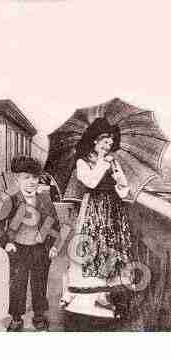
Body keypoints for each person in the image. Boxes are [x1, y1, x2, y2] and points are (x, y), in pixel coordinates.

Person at [63, 117, 132, 312]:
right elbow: (91, 183)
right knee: (92, 247)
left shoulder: (113, 161)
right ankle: (85, 295)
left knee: (110, 248)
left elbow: (124, 192)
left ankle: (103, 294)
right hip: (93, 208)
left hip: (113, 209)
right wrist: (103, 163)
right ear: (95, 141)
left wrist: (120, 180)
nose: (108, 146)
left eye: (110, 143)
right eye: (104, 142)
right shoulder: (82, 161)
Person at [0, 156, 61, 331]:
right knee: (18, 283)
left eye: (35, 177)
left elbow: (55, 224)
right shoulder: (12, 200)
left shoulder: (45, 200)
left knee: (39, 282)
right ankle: (16, 318)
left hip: (40, 248)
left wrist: (53, 245)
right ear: (17, 179)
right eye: (26, 177)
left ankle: (39, 316)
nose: (31, 182)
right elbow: (0, 224)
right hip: (18, 248)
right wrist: (6, 243)